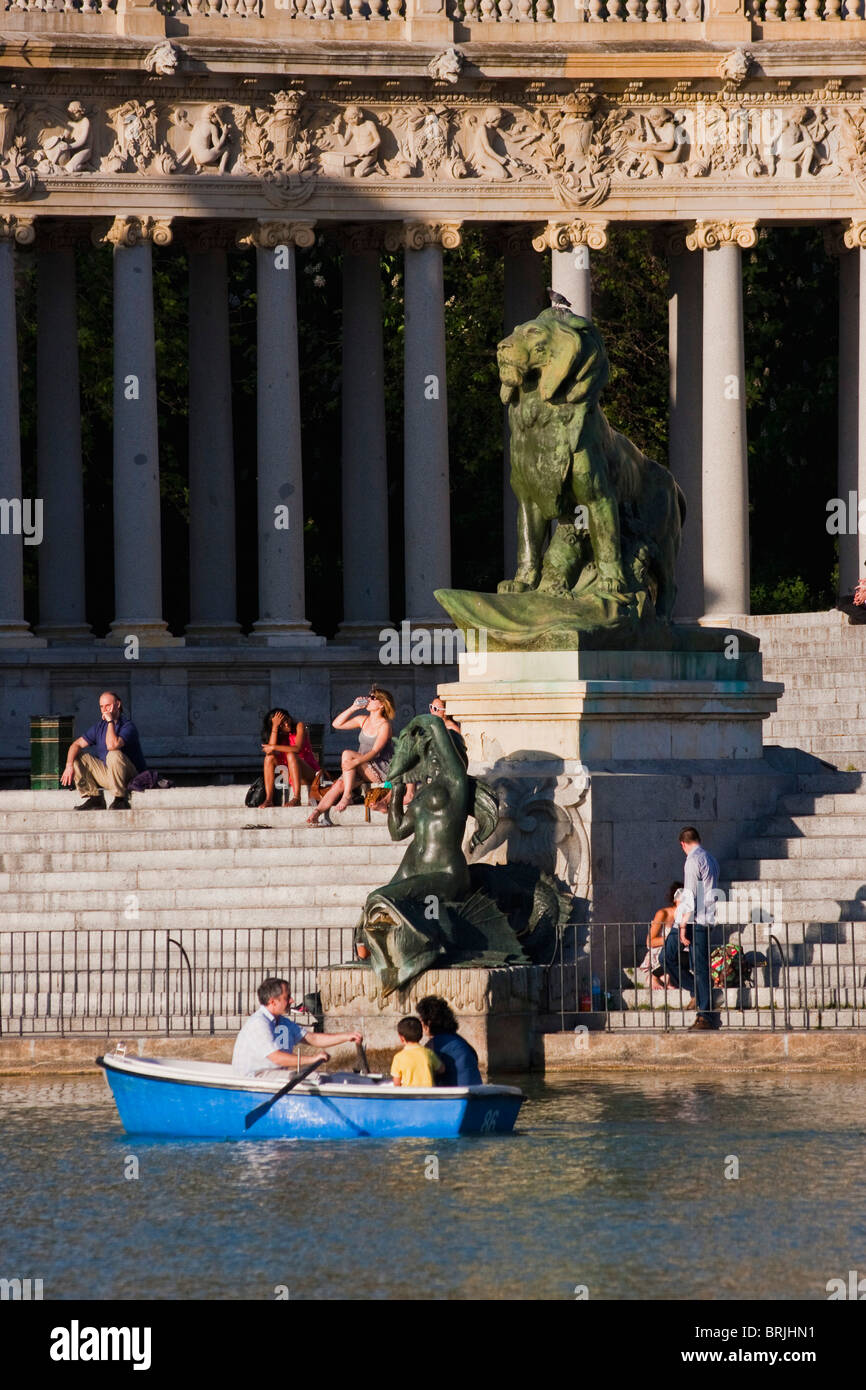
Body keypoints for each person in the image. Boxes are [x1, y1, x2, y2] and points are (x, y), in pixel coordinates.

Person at [232, 977, 362, 1077]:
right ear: (273, 1002)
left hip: (272, 1077)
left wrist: (347, 1036)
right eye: (287, 997)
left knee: (323, 1078)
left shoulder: (283, 1022)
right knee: (315, 1079)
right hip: (255, 1078)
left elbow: (313, 1039)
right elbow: (276, 1057)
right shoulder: (259, 1023)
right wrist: (312, 1059)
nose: (292, 1000)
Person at [306, 687, 395, 826]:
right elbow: (336, 724)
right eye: (369, 696)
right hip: (361, 765)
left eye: (373, 698)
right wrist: (353, 708)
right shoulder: (363, 720)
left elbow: (375, 752)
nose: (369, 699)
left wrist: (355, 762)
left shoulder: (385, 725)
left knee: (347, 754)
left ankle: (347, 796)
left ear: (382, 704)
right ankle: (317, 812)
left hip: (379, 767)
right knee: (340, 783)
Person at [660, 827, 720, 1031]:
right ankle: (699, 994)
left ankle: (705, 1014)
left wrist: (683, 926)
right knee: (690, 964)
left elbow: (690, 896)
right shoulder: (710, 858)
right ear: (698, 839)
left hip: (692, 920)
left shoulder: (692, 861)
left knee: (675, 960)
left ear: (682, 844)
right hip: (705, 918)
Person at [60, 691, 146, 811]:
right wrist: (69, 766)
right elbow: (76, 744)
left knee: (113, 754)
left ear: (118, 704)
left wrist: (110, 721)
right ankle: (94, 799)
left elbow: (112, 745)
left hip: (129, 776)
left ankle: (119, 799)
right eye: (101, 707)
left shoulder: (128, 726)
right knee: (77, 757)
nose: (104, 710)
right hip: (110, 776)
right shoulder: (99, 727)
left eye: (108, 706)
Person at [259, 708, 320, 808]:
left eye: (286, 720)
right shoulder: (278, 734)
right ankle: (269, 799)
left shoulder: (299, 726)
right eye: (282, 724)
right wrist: (275, 727)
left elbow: (297, 748)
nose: (286, 724)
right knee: (269, 758)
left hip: (309, 773)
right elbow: (269, 751)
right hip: (290, 774)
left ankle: (297, 798)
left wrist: (274, 747)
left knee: (291, 754)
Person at [417, 995, 482, 1086]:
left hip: (455, 1093)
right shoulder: (461, 1041)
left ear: (428, 1023)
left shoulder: (433, 1045)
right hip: (476, 1090)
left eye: (421, 1020)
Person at [640, 881, 683, 990]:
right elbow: (649, 941)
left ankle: (664, 978)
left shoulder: (687, 917)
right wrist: (671, 940)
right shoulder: (663, 914)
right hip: (660, 951)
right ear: (675, 899)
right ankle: (655, 977)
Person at [390, 1016, 444, 1088]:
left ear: (401, 1038)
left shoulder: (398, 1057)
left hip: (409, 1096)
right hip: (429, 1095)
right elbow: (442, 1069)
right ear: (421, 1035)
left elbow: (396, 1083)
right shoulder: (428, 1053)